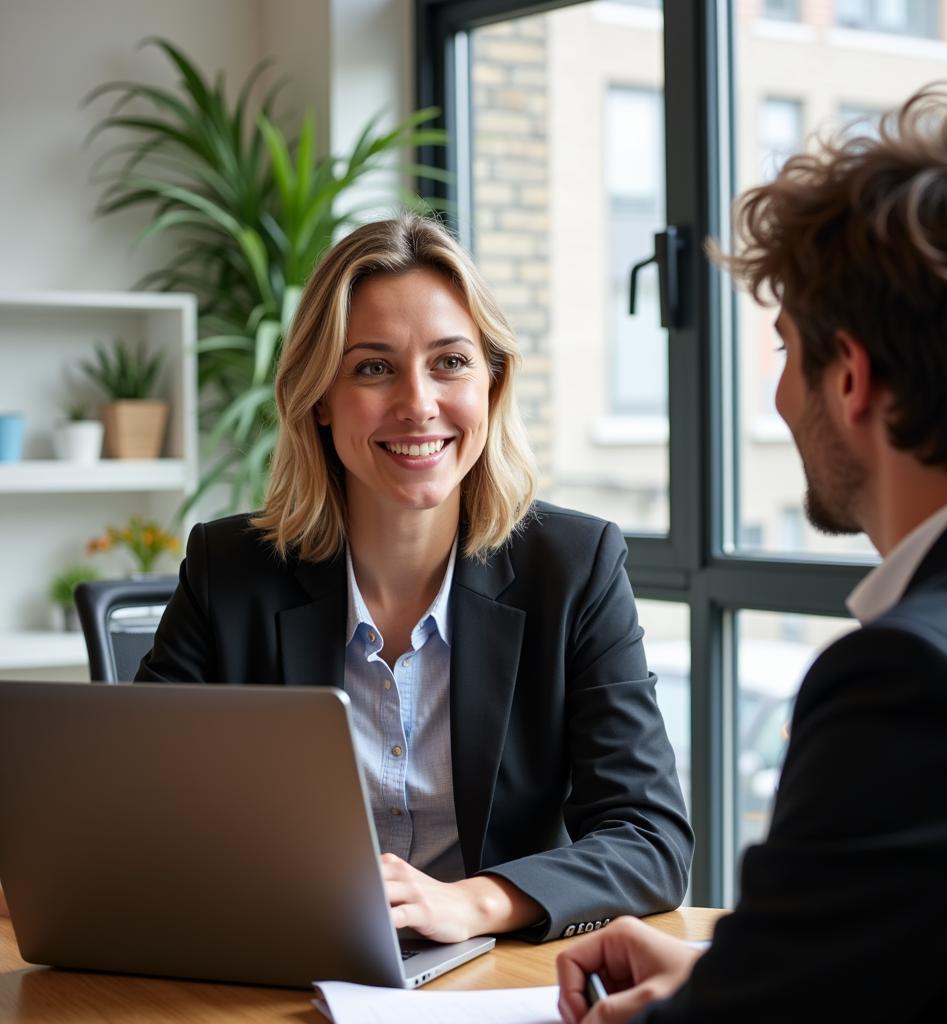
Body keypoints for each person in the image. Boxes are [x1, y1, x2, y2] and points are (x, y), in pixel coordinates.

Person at [557, 86, 947, 1021]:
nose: (775, 396)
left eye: (784, 351)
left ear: (849, 376)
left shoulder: (913, 681)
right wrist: (732, 968)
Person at [136, 214, 693, 944]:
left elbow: (650, 838)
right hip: (286, 965)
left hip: (492, 976)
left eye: (451, 362)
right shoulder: (229, 570)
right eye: (373, 367)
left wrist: (478, 901)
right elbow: (135, 809)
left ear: (492, 385)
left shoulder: (575, 567)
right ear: (320, 398)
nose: (419, 402)